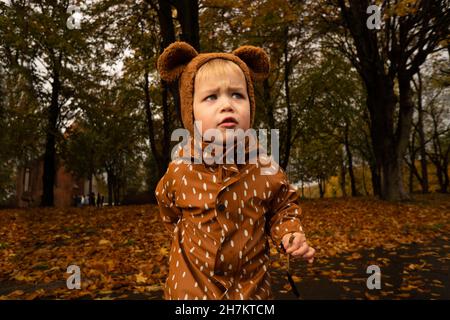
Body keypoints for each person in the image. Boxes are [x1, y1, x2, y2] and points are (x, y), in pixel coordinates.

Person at [155, 42, 315, 300]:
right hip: (191, 290)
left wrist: (290, 233)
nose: (227, 105)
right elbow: (168, 209)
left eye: (237, 95)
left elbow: (282, 206)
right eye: (211, 97)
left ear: (250, 105)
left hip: (249, 291)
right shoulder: (179, 170)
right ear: (190, 109)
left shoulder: (265, 168)